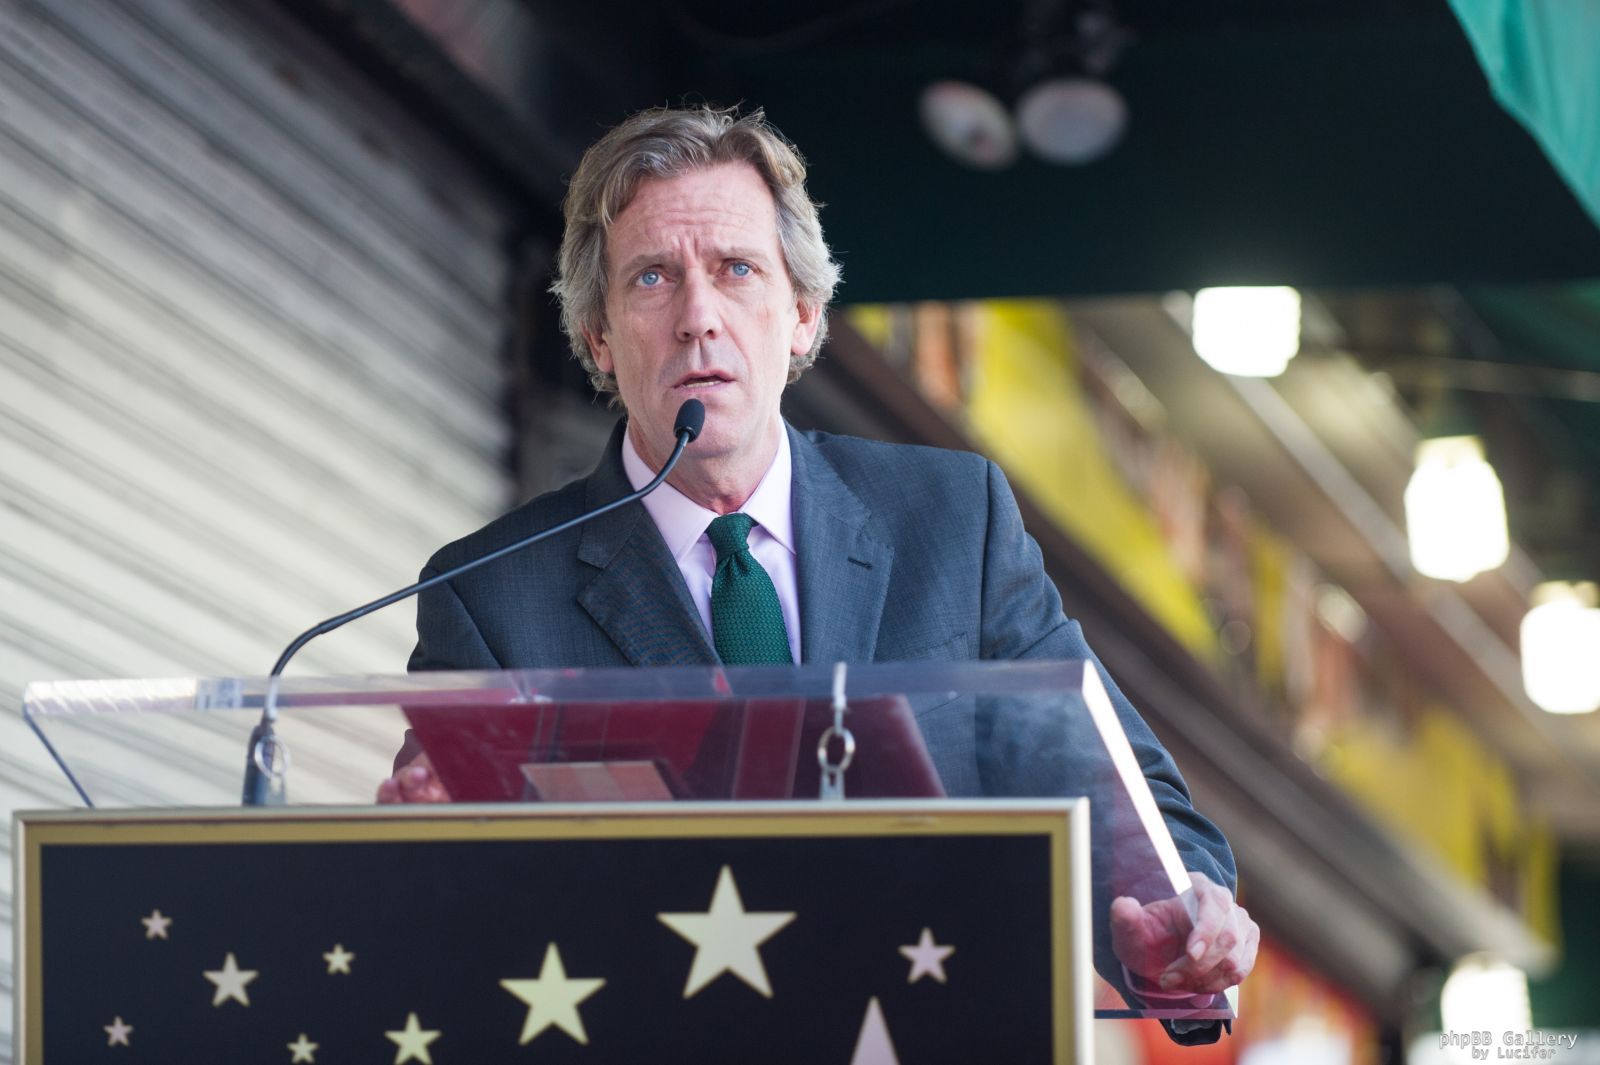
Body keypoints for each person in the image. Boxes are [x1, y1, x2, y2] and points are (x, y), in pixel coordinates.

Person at [381, 104, 1257, 1039]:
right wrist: (423, 852)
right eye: (652, 278)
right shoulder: (491, 597)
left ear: (802, 315)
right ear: (598, 335)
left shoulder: (951, 521)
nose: (698, 318)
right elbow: (452, 902)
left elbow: (1124, 800)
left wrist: (1178, 922)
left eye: (737, 270)